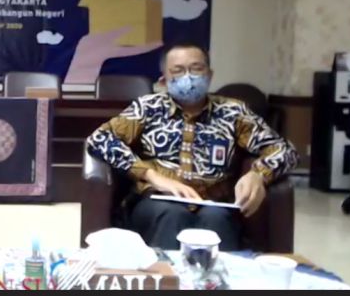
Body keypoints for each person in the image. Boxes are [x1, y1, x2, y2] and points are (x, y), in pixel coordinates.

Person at [86, 43, 299, 250]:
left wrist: (258, 174)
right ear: (164, 81)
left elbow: (284, 149)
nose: (188, 77)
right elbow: (100, 139)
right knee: (171, 214)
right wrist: (152, 176)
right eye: (178, 71)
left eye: (196, 69)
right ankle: (164, 274)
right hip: (156, 200)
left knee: (216, 220)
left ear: (210, 75)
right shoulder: (148, 108)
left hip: (214, 203)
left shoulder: (234, 112)